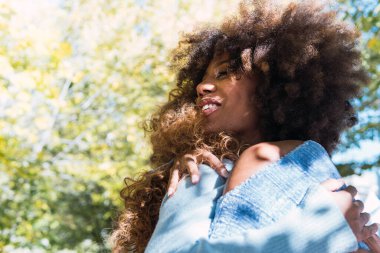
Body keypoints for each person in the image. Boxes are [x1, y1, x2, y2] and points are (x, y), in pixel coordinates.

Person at [110, 0, 380, 252]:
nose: (201, 87)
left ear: (274, 84)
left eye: (224, 72)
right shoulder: (201, 171)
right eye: (202, 79)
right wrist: (322, 226)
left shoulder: (325, 179)